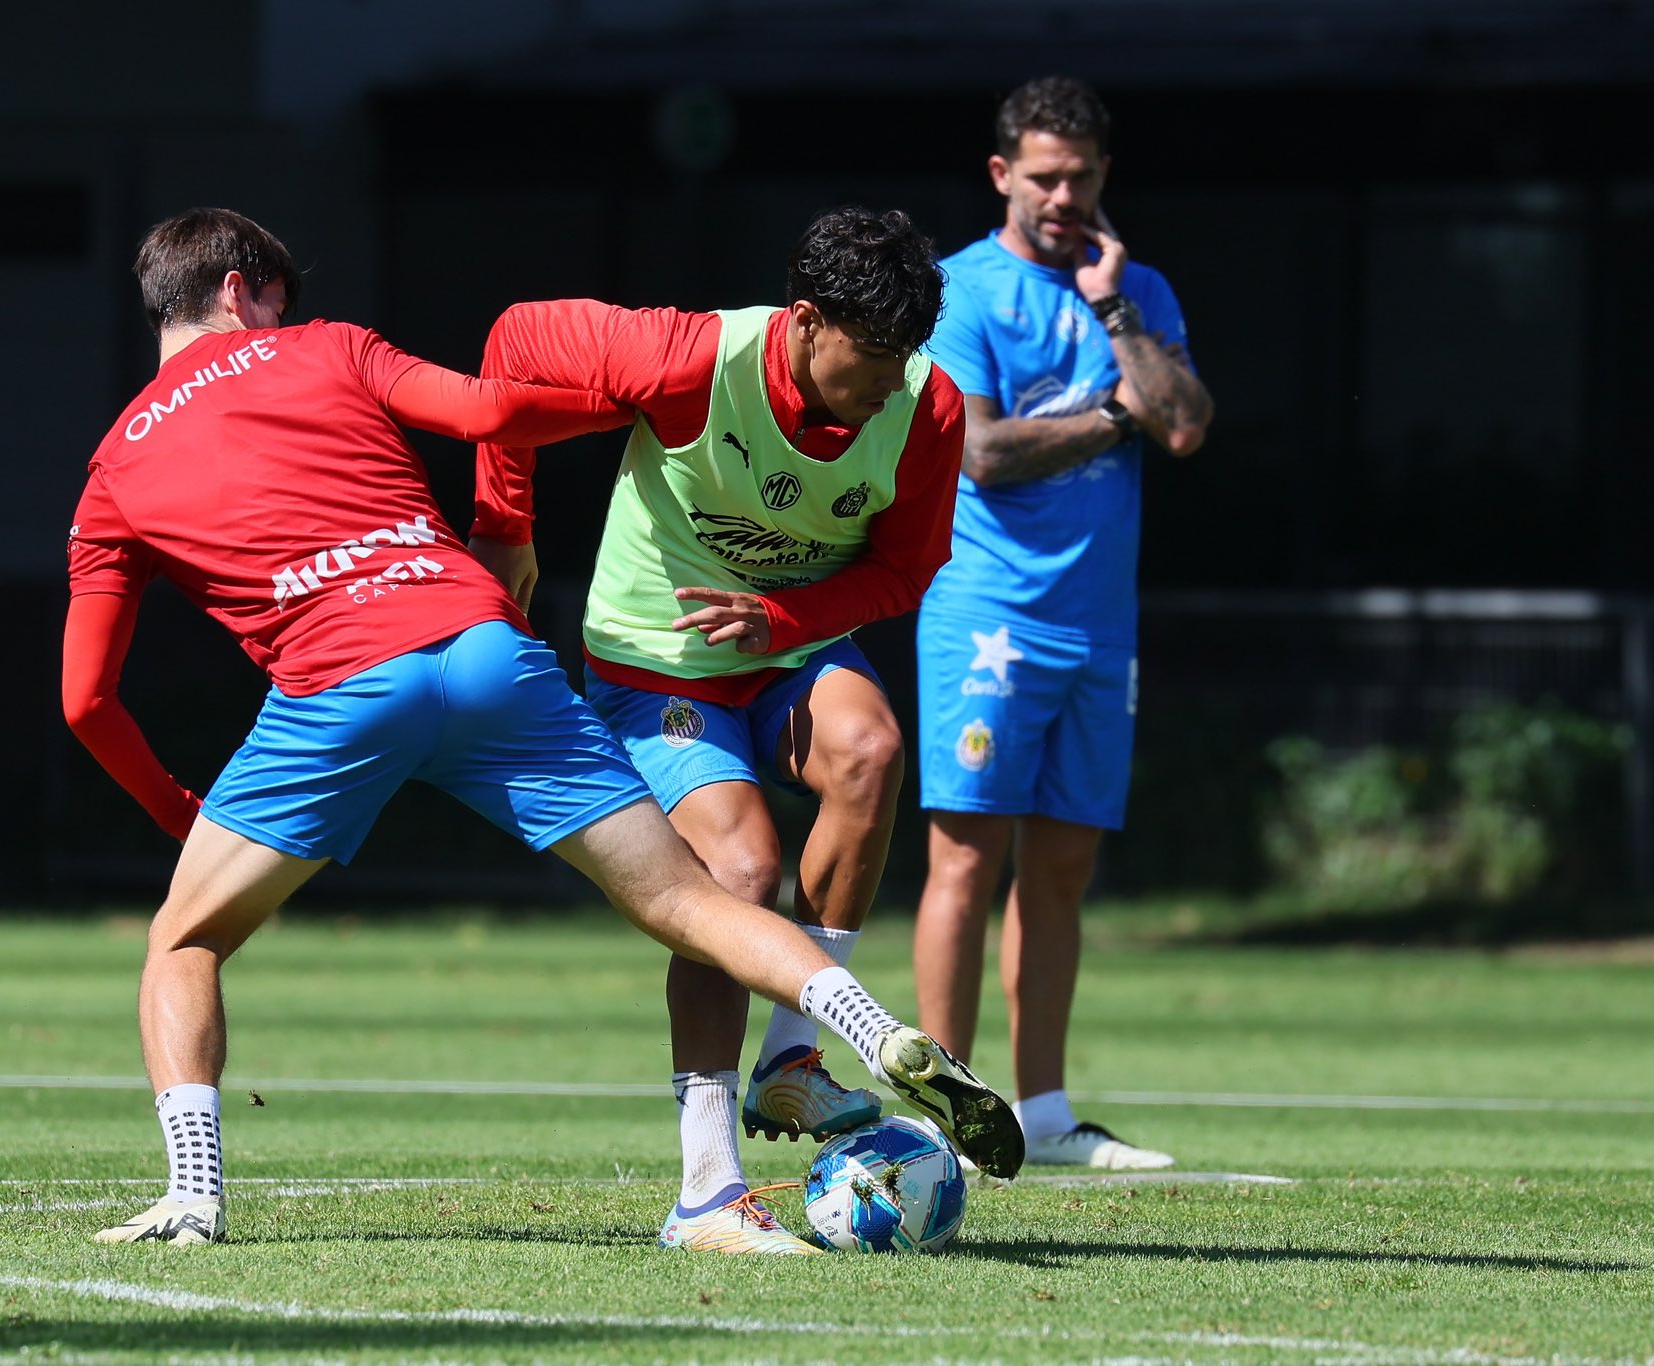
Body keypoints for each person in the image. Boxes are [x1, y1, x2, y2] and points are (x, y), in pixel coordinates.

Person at [61, 207, 1021, 1248]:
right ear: (244, 290)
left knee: (186, 934)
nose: (282, 324)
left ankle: (194, 1196)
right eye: (278, 306)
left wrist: (177, 812)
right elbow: (485, 410)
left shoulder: (112, 468)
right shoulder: (329, 347)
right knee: (688, 897)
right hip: (482, 645)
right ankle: (866, 1030)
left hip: (339, 687)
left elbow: (85, 701)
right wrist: (616, 421)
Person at [471, 206, 995, 1251]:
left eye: (907, 356)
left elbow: (907, 567)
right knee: (739, 873)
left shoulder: (923, 406)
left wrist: (785, 619)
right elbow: (513, 343)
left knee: (870, 751)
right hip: (653, 667)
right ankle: (705, 1191)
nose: (892, 382)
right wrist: (501, 524)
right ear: (805, 322)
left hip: (790, 648)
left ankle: (790, 1061)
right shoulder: (685, 358)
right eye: (874, 355)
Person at [911, 78, 1214, 1171]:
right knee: (963, 860)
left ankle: (1042, 1112)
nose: (1062, 195)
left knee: (1062, 870)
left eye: (1080, 176)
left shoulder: (1133, 290)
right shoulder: (960, 291)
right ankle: (946, 1104)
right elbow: (981, 452)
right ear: (1001, 174)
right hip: (986, 615)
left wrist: (1114, 310)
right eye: (1042, 176)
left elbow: (1180, 424)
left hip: (1095, 626)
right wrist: (1108, 419)